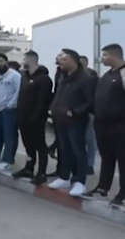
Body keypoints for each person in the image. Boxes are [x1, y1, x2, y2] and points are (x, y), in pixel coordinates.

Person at [47, 49, 96, 197]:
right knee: (64, 149)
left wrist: (75, 111)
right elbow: (59, 95)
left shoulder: (85, 78)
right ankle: (64, 177)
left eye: (63, 58)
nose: (60, 60)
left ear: (72, 60)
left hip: (76, 121)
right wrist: (53, 109)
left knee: (78, 150)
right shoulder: (63, 76)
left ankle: (79, 181)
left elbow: (90, 101)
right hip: (60, 119)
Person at [85, 44, 125, 205]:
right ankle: (103, 187)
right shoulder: (107, 75)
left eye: (104, 55)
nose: (102, 59)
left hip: (120, 127)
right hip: (102, 126)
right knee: (107, 158)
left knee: (123, 161)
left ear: (114, 56)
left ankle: (122, 193)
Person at [12, 50, 53, 185]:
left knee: (40, 146)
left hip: (36, 120)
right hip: (23, 118)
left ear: (31, 60)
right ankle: (29, 168)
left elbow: (43, 102)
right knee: (28, 145)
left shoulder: (44, 79)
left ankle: (41, 172)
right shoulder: (23, 76)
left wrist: (35, 117)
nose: (22, 62)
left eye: (24, 59)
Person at [78, 55, 99, 175]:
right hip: (77, 112)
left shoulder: (92, 75)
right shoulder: (74, 75)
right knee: (79, 140)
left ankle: (90, 164)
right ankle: (80, 163)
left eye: (83, 63)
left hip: (90, 112)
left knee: (90, 139)